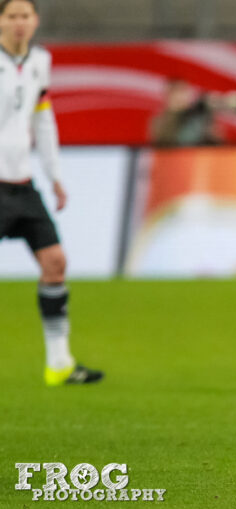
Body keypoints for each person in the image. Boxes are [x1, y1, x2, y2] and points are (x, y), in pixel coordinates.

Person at [0, 0, 103, 385]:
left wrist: (55, 176)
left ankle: (59, 364)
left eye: (25, 15)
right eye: (11, 16)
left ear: (36, 20)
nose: (19, 23)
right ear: (0, 21)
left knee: (55, 263)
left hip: (24, 184)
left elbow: (42, 119)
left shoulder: (41, 61)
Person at [149, 78, 236, 147]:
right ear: (167, 96)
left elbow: (216, 139)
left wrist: (225, 102)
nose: (180, 97)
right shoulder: (160, 121)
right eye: (175, 93)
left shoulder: (199, 113)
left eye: (183, 91)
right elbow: (164, 143)